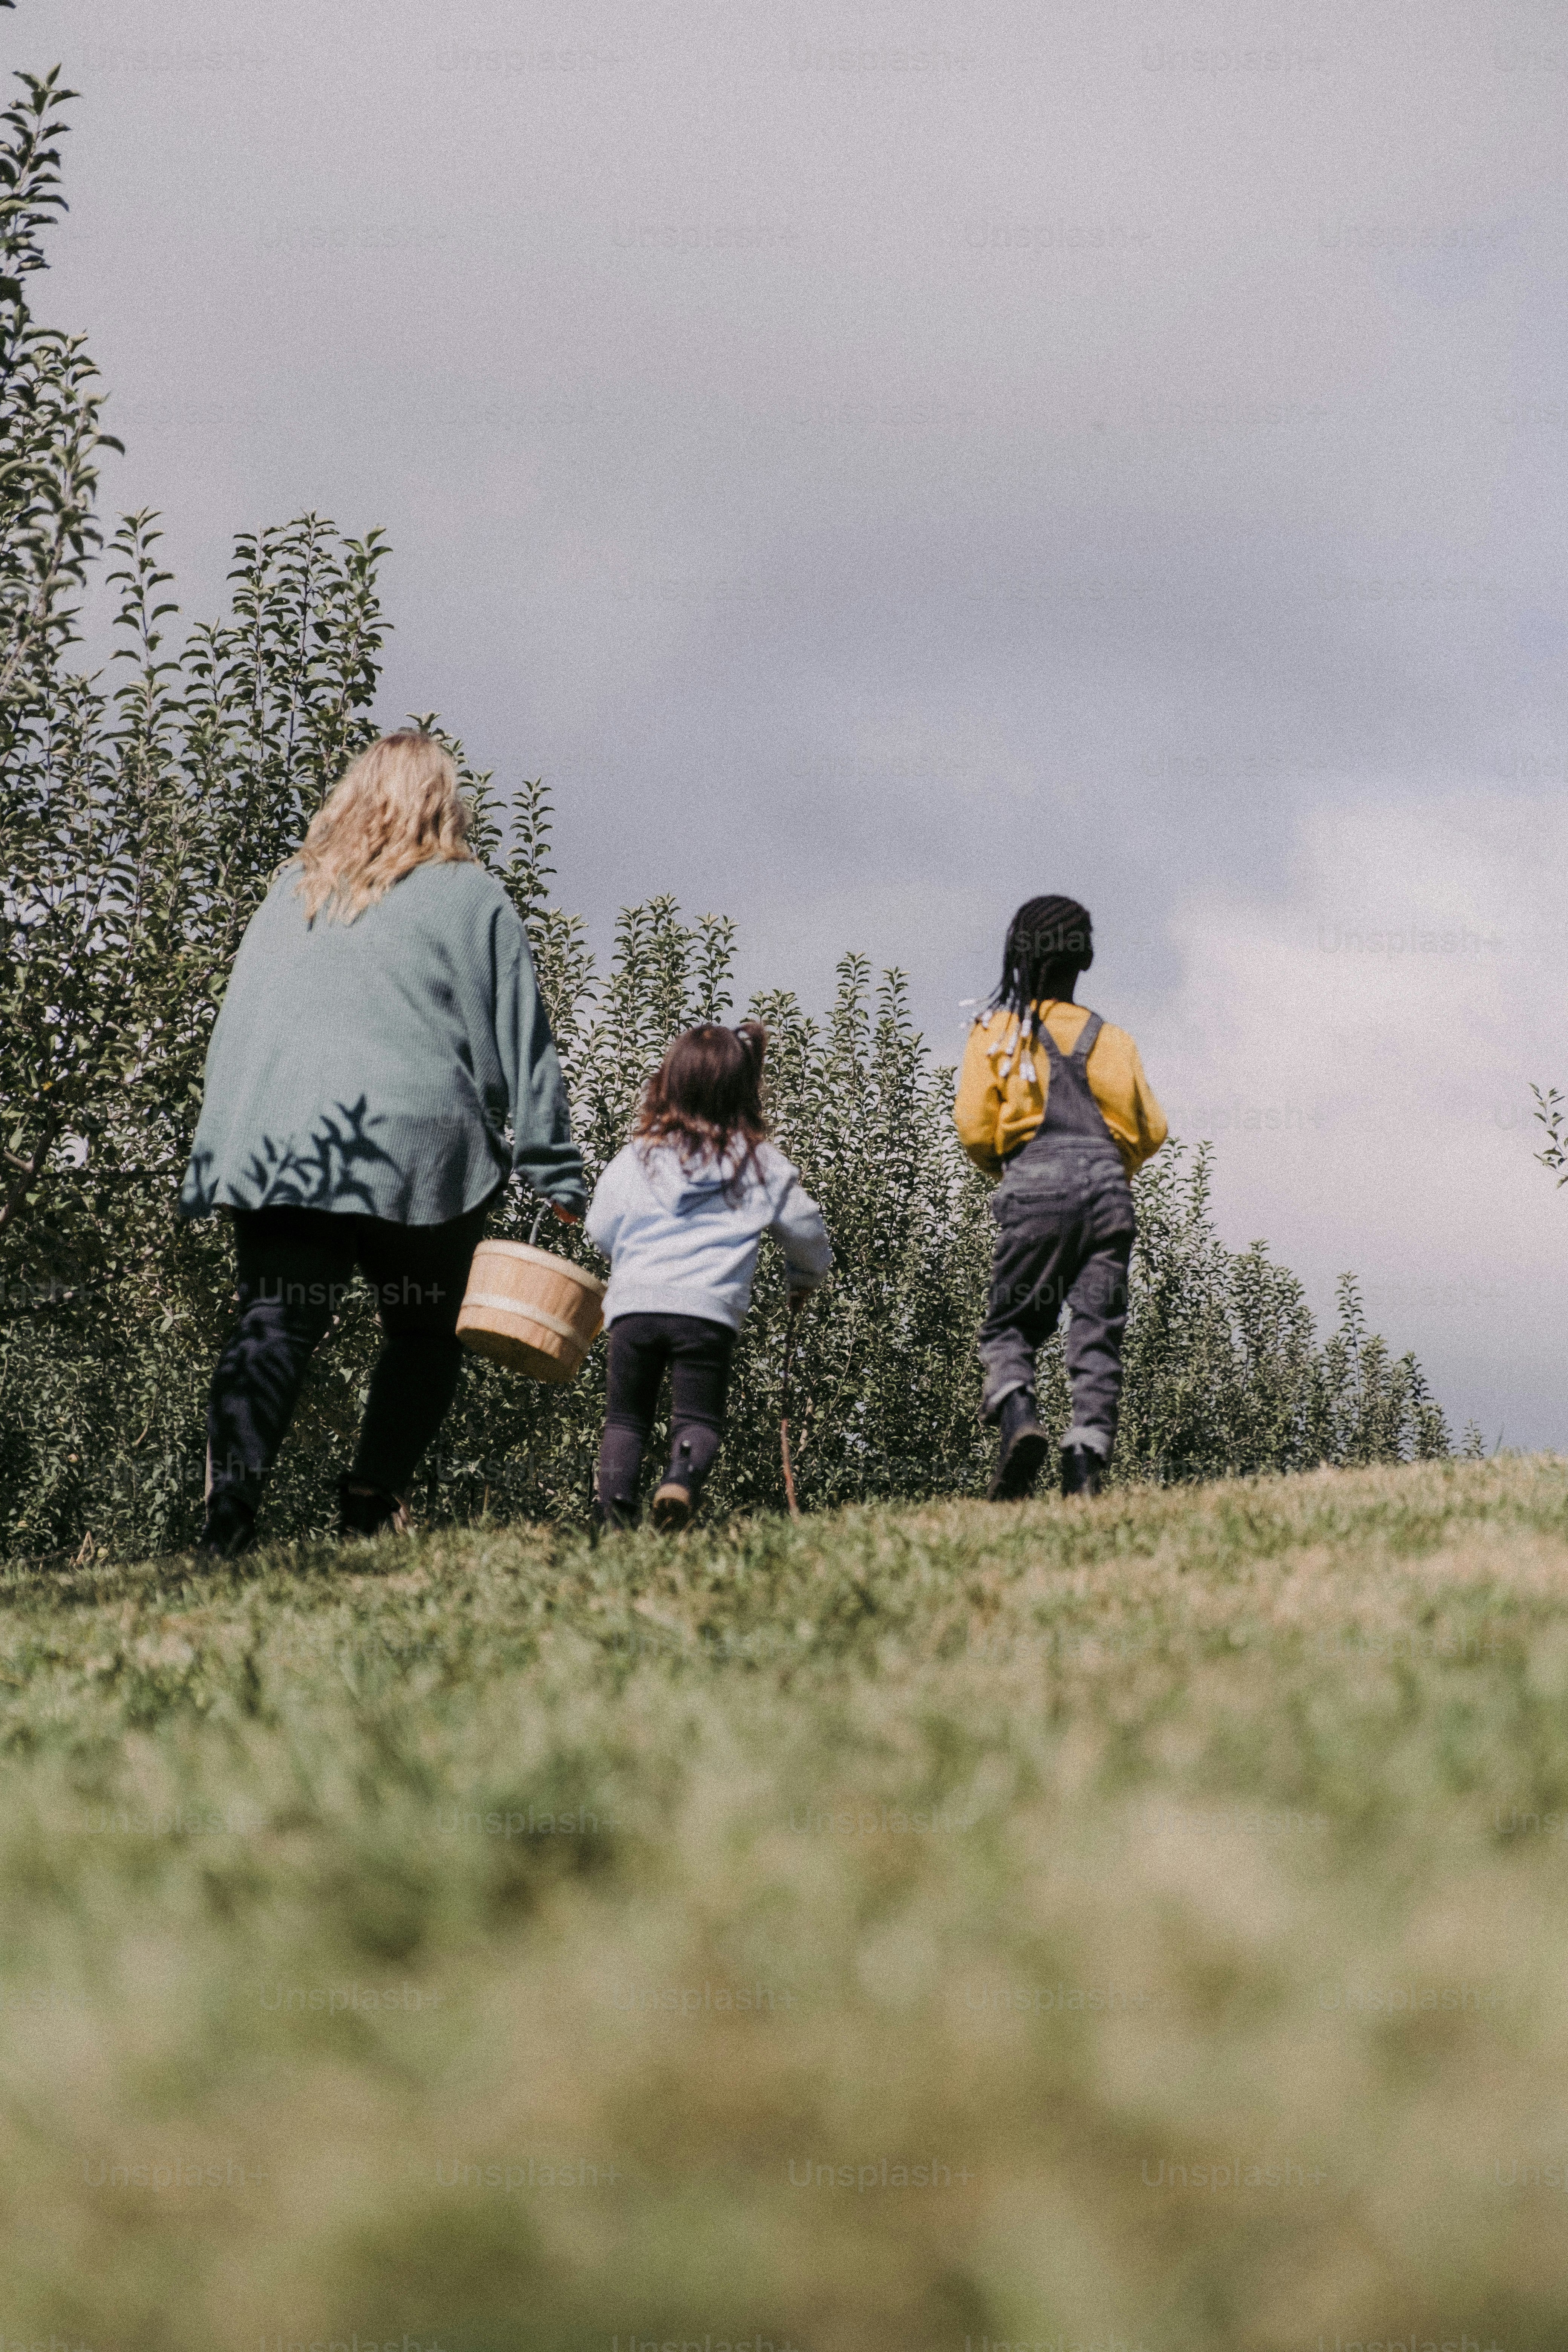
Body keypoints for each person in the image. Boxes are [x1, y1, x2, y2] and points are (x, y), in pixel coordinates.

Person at [178, 731, 586, 1557]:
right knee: (425, 1330)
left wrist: (218, 1152)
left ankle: (229, 1519)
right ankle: (369, 1502)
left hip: (280, 1140)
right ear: (446, 802)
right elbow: (522, 1038)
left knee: (276, 1321)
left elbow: (239, 1026)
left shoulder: (291, 889)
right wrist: (553, 1167)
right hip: (420, 1146)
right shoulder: (471, 894)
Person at [954, 894, 1166, 1501]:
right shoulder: (1115, 1041)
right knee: (1097, 1332)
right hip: (1107, 1193)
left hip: (1035, 1183)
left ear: (1019, 955)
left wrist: (1014, 1168)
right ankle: (1084, 1463)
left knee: (1010, 1326)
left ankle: (1019, 1415)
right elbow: (1152, 1130)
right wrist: (1109, 1165)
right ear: (1087, 959)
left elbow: (973, 1126)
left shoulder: (997, 1034)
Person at [585, 1020, 831, 1530]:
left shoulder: (638, 1156)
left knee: (626, 1419)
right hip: (706, 1311)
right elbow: (806, 1229)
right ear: (745, 1088)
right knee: (697, 1419)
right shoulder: (760, 1163)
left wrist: (630, 1262)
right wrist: (804, 1274)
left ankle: (612, 1520)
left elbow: (600, 1226)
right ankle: (680, 1478)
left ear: (669, 1082)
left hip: (634, 1308)